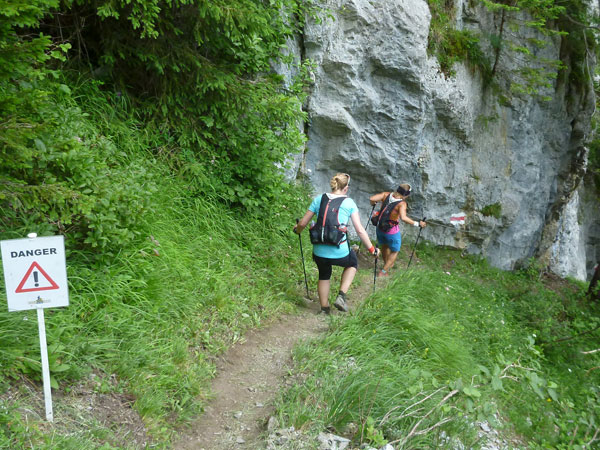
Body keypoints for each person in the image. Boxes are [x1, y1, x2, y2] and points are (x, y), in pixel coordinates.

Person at [294, 173, 379, 314]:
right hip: (339, 250)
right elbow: (360, 230)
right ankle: (341, 296)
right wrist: (372, 250)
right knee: (352, 263)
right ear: (346, 188)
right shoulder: (349, 203)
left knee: (324, 274)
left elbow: (302, 223)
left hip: (319, 250)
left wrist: (297, 230)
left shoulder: (319, 199)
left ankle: (324, 309)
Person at [369, 184, 426, 277]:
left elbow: (372, 198)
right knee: (395, 251)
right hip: (391, 231)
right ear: (406, 195)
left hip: (380, 228)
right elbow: (403, 218)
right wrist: (417, 224)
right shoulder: (402, 204)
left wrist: (373, 204)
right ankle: (383, 272)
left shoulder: (386, 195)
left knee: (385, 246)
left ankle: (386, 265)